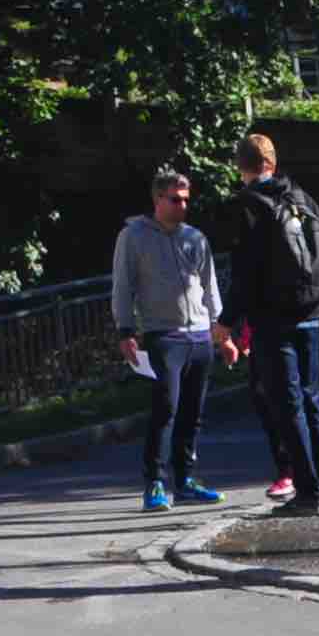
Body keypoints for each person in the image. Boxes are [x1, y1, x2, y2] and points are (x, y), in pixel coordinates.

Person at [222, 128, 319, 514]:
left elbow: (244, 273)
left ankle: (307, 495)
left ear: (242, 167)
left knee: (287, 405)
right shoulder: (299, 195)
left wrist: (226, 322)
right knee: (312, 401)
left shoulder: (248, 205)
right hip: (312, 313)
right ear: (272, 163)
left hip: (273, 319)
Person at [112, 165, 227, 512]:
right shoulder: (133, 236)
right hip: (165, 335)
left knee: (193, 413)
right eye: (175, 200)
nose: (182, 206)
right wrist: (126, 330)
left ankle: (187, 480)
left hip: (200, 334)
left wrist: (221, 329)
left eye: (186, 200)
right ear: (157, 199)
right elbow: (123, 285)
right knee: (167, 409)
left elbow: (210, 285)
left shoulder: (195, 238)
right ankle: (155, 484)